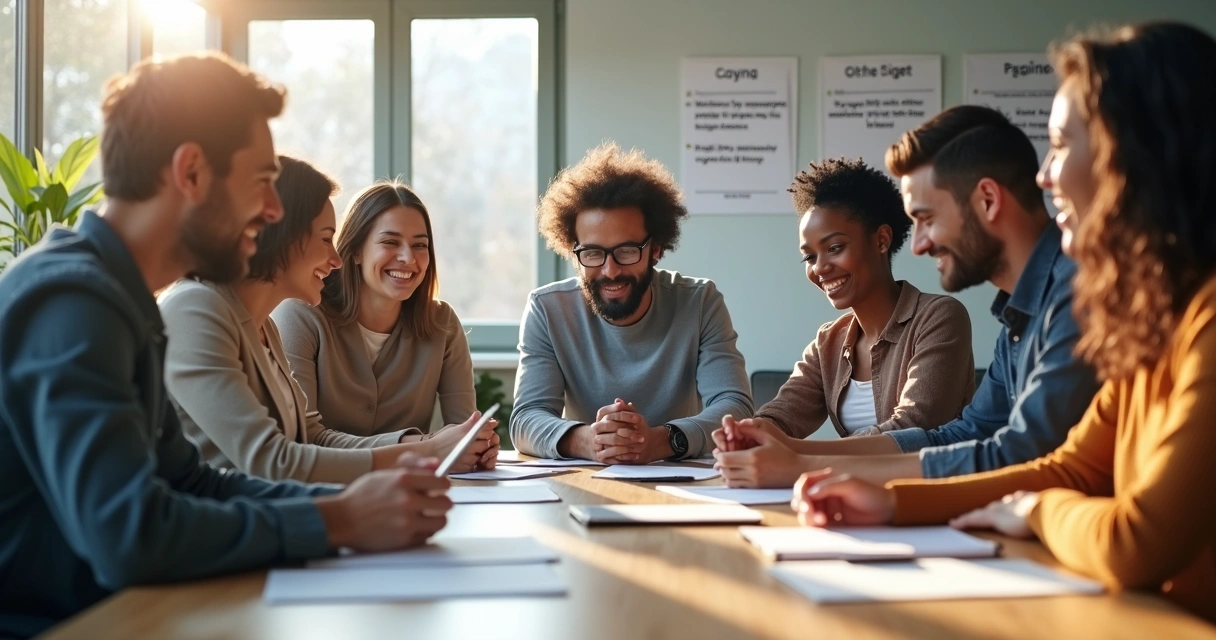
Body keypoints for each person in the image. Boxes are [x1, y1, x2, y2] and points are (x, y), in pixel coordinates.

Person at [0, 53, 452, 639]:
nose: (271, 212)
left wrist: (354, 506)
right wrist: (336, 520)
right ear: (190, 173)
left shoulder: (124, 297)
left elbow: (192, 483)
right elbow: (128, 536)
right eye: (263, 182)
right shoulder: (73, 302)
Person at [793, 22, 1216, 624]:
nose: (1046, 177)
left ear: (1138, 154)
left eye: (1063, 145)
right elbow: (1068, 466)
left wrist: (1037, 510)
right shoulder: (1152, 319)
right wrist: (890, 504)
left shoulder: (1197, 318)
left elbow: (1134, 538)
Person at [713, 105, 1099, 487]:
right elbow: (964, 435)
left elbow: (1017, 453)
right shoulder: (1019, 313)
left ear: (987, 200)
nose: (917, 246)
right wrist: (783, 445)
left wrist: (802, 465)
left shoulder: (1078, 294)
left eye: (927, 219)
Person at [160, 156, 495, 483]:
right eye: (325, 239)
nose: (336, 259)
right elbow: (272, 461)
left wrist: (433, 449)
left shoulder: (264, 328)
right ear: (281, 233)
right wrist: (426, 451)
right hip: (217, 527)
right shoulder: (195, 309)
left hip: (267, 516)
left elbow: (308, 436)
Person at [712, 157, 975, 487]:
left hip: (927, 502)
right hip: (850, 499)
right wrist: (748, 435)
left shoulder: (940, 317)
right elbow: (780, 415)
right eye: (809, 256)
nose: (820, 267)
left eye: (834, 248)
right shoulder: (829, 342)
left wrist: (796, 454)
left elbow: (914, 427)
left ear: (881, 240)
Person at [510, 143, 752, 463]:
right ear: (573, 253)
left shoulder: (700, 302)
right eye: (593, 253)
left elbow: (734, 406)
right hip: (588, 481)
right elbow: (526, 417)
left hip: (682, 483)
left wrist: (661, 441)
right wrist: (588, 440)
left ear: (656, 248)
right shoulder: (548, 309)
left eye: (626, 251)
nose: (610, 271)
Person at [273, 181, 495, 468]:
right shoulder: (301, 314)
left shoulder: (443, 323)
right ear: (354, 251)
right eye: (390, 242)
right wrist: (422, 447)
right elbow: (302, 439)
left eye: (420, 245)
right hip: (324, 492)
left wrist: (477, 447)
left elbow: (463, 430)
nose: (408, 258)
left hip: (411, 495)